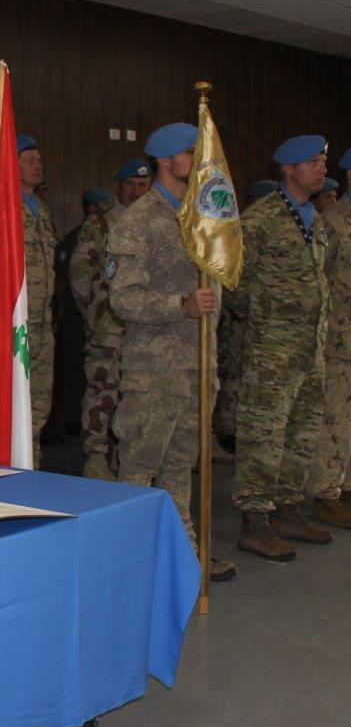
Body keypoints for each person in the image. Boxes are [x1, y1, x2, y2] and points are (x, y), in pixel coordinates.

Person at [105, 123, 235, 581]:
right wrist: (179, 306)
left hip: (197, 367)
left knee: (181, 469)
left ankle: (182, 558)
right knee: (139, 470)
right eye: (190, 153)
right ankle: (127, 564)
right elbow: (123, 298)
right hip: (155, 372)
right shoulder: (139, 221)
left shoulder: (203, 216)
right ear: (165, 160)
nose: (200, 161)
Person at [232, 135, 332, 562]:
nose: (322, 168)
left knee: (302, 432)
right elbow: (233, 279)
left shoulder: (315, 218)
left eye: (323, 161)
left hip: (311, 347)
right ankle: (255, 521)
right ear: (289, 169)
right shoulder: (261, 218)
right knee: (263, 434)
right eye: (313, 162)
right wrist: (261, 312)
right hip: (272, 350)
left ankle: (288, 509)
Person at [0, 134, 57, 465]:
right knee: (0, 412)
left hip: (41, 330)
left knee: (36, 411)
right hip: (11, 330)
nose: (37, 165)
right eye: (29, 160)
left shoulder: (41, 208)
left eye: (39, 160)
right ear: (10, 165)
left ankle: (29, 476)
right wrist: (2, 314)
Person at [70, 159, 151, 480]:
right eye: (130, 184)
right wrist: (93, 313)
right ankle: (96, 455)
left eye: (142, 185)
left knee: (138, 393)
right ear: (118, 186)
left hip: (146, 327)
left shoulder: (158, 223)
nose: (136, 191)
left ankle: (127, 457)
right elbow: (79, 275)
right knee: (103, 390)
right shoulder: (101, 223)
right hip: (109, 326)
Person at [215, 179, 281, 450]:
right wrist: (239, 308)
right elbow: (233, 278)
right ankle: (228, 431)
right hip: (242, 316)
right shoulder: (245, 231)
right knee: (237, 372)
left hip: (260, 317)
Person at [306, 149, 351, 527]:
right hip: (340, 339)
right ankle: (325, 493)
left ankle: (346, 486)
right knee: (335, 418)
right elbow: (317, 279)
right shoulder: (333, 222)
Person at [52, 187, 112, 445]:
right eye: (100, 206)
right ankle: (67, 422)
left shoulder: (117, 229)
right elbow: (65, 277)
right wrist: (87, 307)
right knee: (73, 370)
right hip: (76, 313)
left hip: (98, 316)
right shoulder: (76, 237)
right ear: (90, 208)